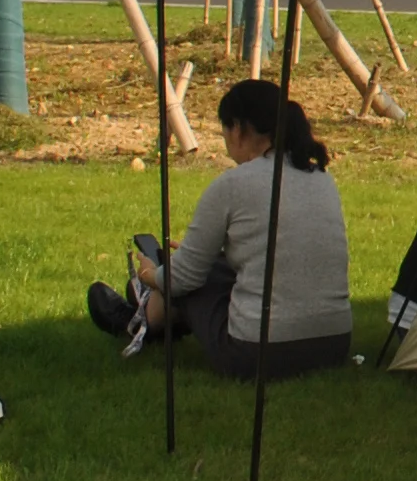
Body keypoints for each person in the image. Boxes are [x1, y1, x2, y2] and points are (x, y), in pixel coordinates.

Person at [88, 80, 353, 378]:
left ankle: (138, 322)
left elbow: (184, 278)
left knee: (188, 279)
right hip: (334, 345)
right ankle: (152, 315)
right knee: (208, 267)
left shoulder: (233, 184)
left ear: (238, 128)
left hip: (259, 352)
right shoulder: (321, 177)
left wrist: (152, 275)